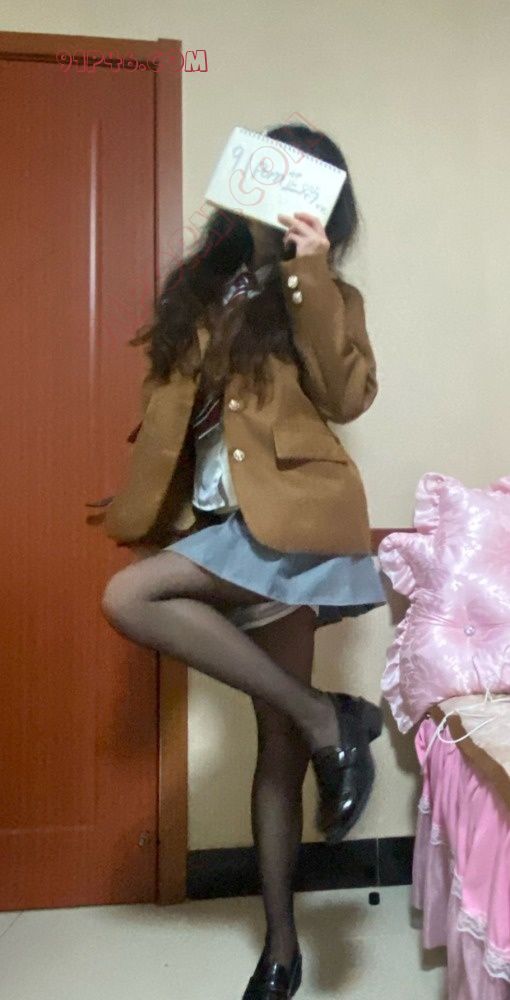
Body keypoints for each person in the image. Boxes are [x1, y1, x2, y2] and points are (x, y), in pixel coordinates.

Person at [97, 123, 387, 1000]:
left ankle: (281, 949)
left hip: (290, 529)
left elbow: (347, 395)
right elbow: (171, 410)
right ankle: (332, 717)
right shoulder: (202, 290)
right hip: (221, 525)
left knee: (276, 747)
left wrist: (310, 271)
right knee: (135, 597)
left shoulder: (326, 292)